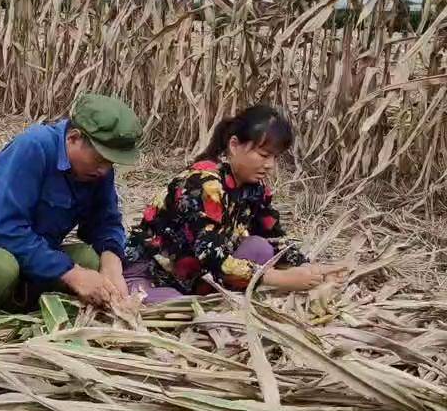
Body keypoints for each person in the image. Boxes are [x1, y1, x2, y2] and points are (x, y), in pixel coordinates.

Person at [0, 93, 143, 313]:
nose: (104, 169)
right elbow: (6, 230)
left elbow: (105, 222)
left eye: (111, 163)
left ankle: (18, 308)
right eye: (100, 159)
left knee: (89, 259)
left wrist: (111, 263)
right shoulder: (33, 148)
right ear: (73, 138)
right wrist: (72, 274)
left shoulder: (97, 172)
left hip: (23, 267)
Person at [124, 102, 342, 303]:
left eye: (275, 157)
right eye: (264, 154)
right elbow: (210, 254)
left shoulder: (255, 188)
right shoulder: (202, 184)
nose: (270, 166)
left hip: (196, 275)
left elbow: (272, 235)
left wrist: (307, 268)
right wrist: (280, 279)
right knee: (178, 308)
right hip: (156, 272)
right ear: (235, 145)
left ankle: (211, 297)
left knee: (260, 247)